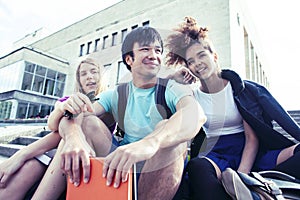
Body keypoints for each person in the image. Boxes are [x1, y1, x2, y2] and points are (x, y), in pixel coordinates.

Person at [46, 26, 206, 200]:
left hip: (159, 168)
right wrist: (73, 137)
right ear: (129, 59)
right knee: (88, 122)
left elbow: (196, 113)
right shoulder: (117, 93)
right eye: (145, 49)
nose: (153, 55)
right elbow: (73, 116)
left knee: (170, 133)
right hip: (121, 166)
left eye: (158, 50)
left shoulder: (171, 87)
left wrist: (150, 143)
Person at [165, 16, 300, 199]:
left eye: (202, 55)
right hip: (217, 154)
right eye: (190, 61)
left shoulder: (240, 88)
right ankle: (241, 190)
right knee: (198, 167)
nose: (197, 64)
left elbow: (251, 138)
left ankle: (255, 185)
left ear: (214, 56)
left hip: (252, 153)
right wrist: (173, 79)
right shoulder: (191, 96)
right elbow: (158, 104)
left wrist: (242, 175)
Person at [0, 58, 113, 200]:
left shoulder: (109, 100)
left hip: (92, 152)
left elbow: (75, 123)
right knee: (24, 171)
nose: (89, 76)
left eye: (94, 72)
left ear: (101, 76)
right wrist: (62, 108)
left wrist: (23, 153)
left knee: (78, 121)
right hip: (63, 147)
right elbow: (52, 125)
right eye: (83, 74)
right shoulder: (68, 99)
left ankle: (23, 155)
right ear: (79, 80)